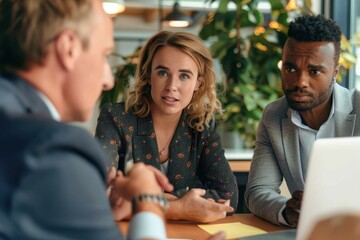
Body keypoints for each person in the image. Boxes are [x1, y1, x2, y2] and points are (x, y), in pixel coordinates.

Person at [0, 0, 174, 239]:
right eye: (104, 56)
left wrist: (92, 214)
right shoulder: (52, 150)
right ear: (68, 48)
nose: (108, 81)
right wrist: (148, 199)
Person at [95, 30, 238, 223]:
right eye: (163, 72)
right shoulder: (116, 117)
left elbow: (228, 197)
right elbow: (99, 191)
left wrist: (145, 198)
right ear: (148, 75)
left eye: (185, 76)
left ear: (198, 83)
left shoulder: (202, 124)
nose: (172, 86)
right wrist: (178, 208)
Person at [245, 14, 360, 227]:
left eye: (314, 71)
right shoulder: (274, 115)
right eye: (290, 69)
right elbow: (257, 191)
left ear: (335, 73)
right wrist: (287, 211)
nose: (300, 82)